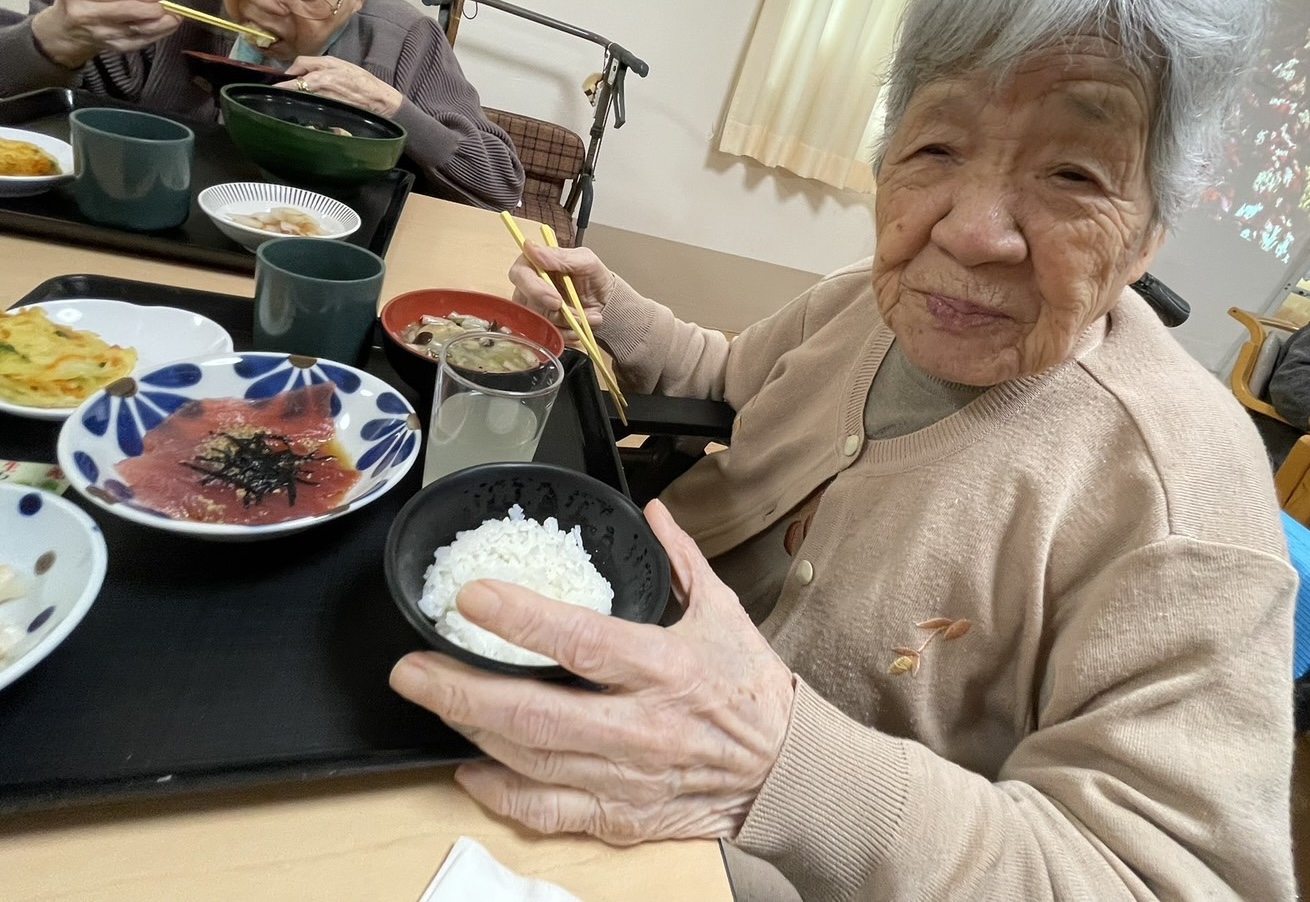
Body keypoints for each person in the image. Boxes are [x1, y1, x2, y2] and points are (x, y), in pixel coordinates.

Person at [388, 0, 1299, 898]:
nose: (970, 231)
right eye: (937, 148)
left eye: (1072, 172)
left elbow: (1162, 879)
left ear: (1149, 234)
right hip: (599, 661)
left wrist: (775, 766)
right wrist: (614, 315)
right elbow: (731, 375)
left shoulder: (1185, 496)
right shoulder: (868, 300)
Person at [0, 0, 524, 209]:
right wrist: (54, 37)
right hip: (152, 220)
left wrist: (393, 108)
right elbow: (30, 113)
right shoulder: (169, 13)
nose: (268, 4)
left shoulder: (401, 38)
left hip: (326, 258)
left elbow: (500, 184)